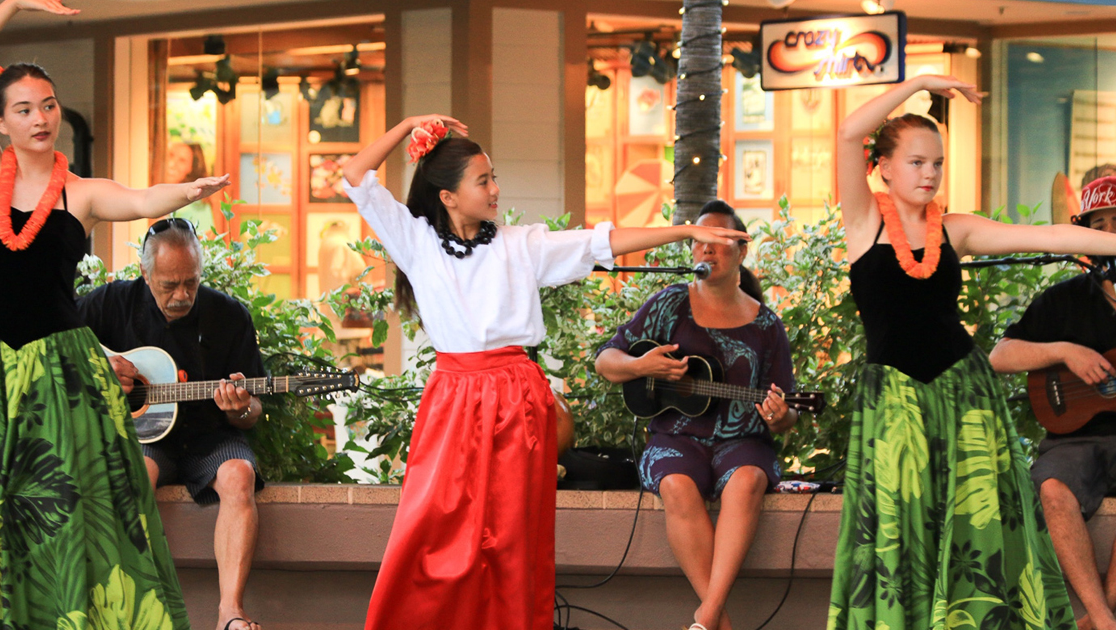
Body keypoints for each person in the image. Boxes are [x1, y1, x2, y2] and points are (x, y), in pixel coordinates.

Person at [340, 115, 749, 630]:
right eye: (482, 180)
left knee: (512, 540)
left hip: (516, 397)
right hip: (452, 398)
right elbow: (355, 175)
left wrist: (686, 230)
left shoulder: (519, 244)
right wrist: (407, 127)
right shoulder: (415, 240)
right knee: (431, 525)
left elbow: (602, 242)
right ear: (447, 196)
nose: (494, 190)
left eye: (494, 177)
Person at [0, 1, 229, 628]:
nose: (41, 118)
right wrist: (12, 4)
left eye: (49, 105)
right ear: (0, 121)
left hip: (61, 371)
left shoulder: (79, 191)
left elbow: (140, 198)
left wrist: (188, 193)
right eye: (25, 109)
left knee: (71, 505)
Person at [826, 74, 1116, 630]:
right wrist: (920, 83)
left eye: (936, 163)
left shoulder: (954, 230)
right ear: (884, 166)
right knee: (900, 527)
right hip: (895, 402)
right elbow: (846, 133)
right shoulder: (864, 226)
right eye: (915, 162)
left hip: (965, 396)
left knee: (975, 529)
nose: (929, 173)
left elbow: (1053, 237)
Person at [594, 200, 797, 630]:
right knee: (677, 485)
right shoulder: (669, 304)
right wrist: (640, 366)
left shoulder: (766, 327)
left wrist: (780, 416)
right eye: (699, 243)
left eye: (719, 243)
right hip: (673, 439)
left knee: (747, 482)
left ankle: (706, 615)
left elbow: (788, 411)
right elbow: (605, 361)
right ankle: (719, 622)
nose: (707, 251)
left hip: (743, 443)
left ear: (742, 250)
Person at [78, 218, 266, 630]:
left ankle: (229, 612)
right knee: (135, 474)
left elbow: (253, 414)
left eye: (191, 283)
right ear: (145, 274)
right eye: (169, 285)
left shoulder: (229, 316)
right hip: (144, 438)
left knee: (239, 475)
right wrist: (97, 371)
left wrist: (239, 408)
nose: (182, 295)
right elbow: (54, 355)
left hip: (210, 437)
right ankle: (129, 610)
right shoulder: (108, 305)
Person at [990, 175, 1116, 630]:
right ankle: (1103, 619)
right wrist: (1064, 351)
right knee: (1050, 490)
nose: (1108, 237)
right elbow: (1000, 356)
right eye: (1097, 227)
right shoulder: (1062, 301)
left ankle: (1103, 608)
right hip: (1074, 439)